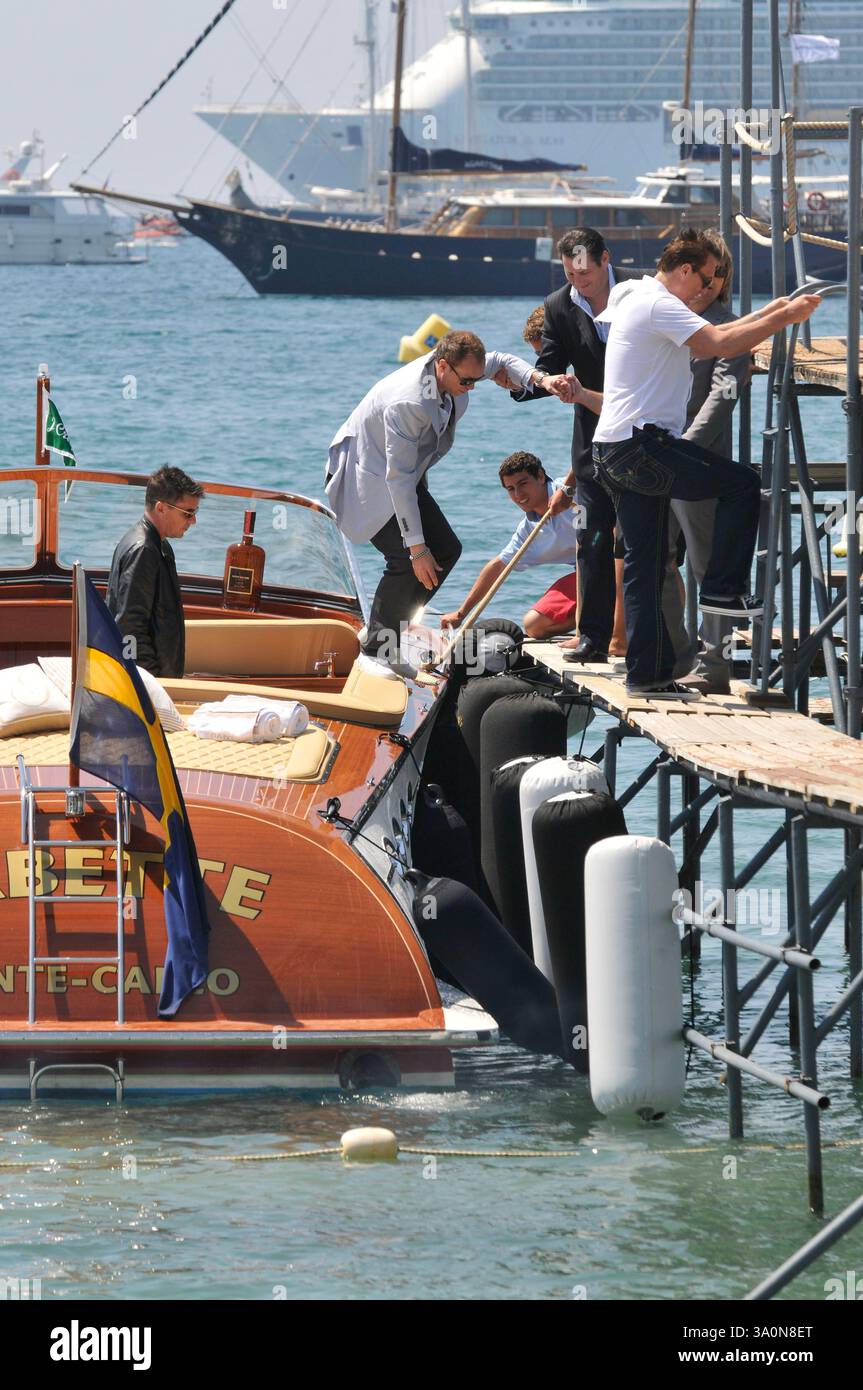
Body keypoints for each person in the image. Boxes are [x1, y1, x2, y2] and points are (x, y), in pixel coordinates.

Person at [590, 227, 820, 698]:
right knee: (739, 485)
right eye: (706, 279)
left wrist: (777, 309)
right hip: (641, 447)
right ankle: (721, 589)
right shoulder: (659, 302)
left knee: (648, 564)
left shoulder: (633, 292)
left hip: (611, 449)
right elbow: (722, 344)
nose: (708, 290)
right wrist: (786, 318)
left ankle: (647, 677)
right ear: (683, 270)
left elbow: (721, 333)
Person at [325, 329, 570, 669]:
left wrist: (541, 380)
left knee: (447, 550)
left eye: (475, 380)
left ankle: (386, 631)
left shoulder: (460, 369)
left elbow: (502, 361)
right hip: (367, 480)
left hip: (405, 478)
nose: (472, 387)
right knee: (406, 558)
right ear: (442, 366)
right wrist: (417, 549)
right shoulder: (409, 402)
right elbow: (397, 479)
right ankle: (378, 653)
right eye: (467, 382)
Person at [511, 227, 645, 664]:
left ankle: (653, 639)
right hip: (591, 445)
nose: (578, 283)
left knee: (645, 542)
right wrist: (541, 381)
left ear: (606, 259)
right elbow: (547, 365)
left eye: (585, 274)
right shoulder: (558, 305)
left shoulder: (641, 291)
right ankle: (593, 638)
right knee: (590, 536)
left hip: (645, 437)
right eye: (570, 275)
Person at [674, 236, 751, 694]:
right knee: (653, 561)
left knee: (706, 567)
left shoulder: (728, 326)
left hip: (697, 462)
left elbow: (723, 395)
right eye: (700, 271)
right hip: (648, 456)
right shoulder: (665, 315)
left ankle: (714, 663)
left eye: (715, 274)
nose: (706, 283)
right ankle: (670, 651)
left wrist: (686, 448)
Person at [438, 451, 581, 638]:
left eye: (523, 484)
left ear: (540, 476)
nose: (518, 494)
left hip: (617, 566)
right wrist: (461, 614)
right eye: (510, 488)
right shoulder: (528, 529)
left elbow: (586, 462)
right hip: (586, 575)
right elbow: (498, 566)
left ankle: (603, 627)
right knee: (534, 626)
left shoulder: (572, 490)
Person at [106, 465, 203, 677]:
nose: (193, 521)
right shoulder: (144, 550)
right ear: (161, 508)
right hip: (149, 684)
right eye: (188, 513)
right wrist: (153, 684)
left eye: (194, 513)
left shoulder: (157, 545)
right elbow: (129, 627)